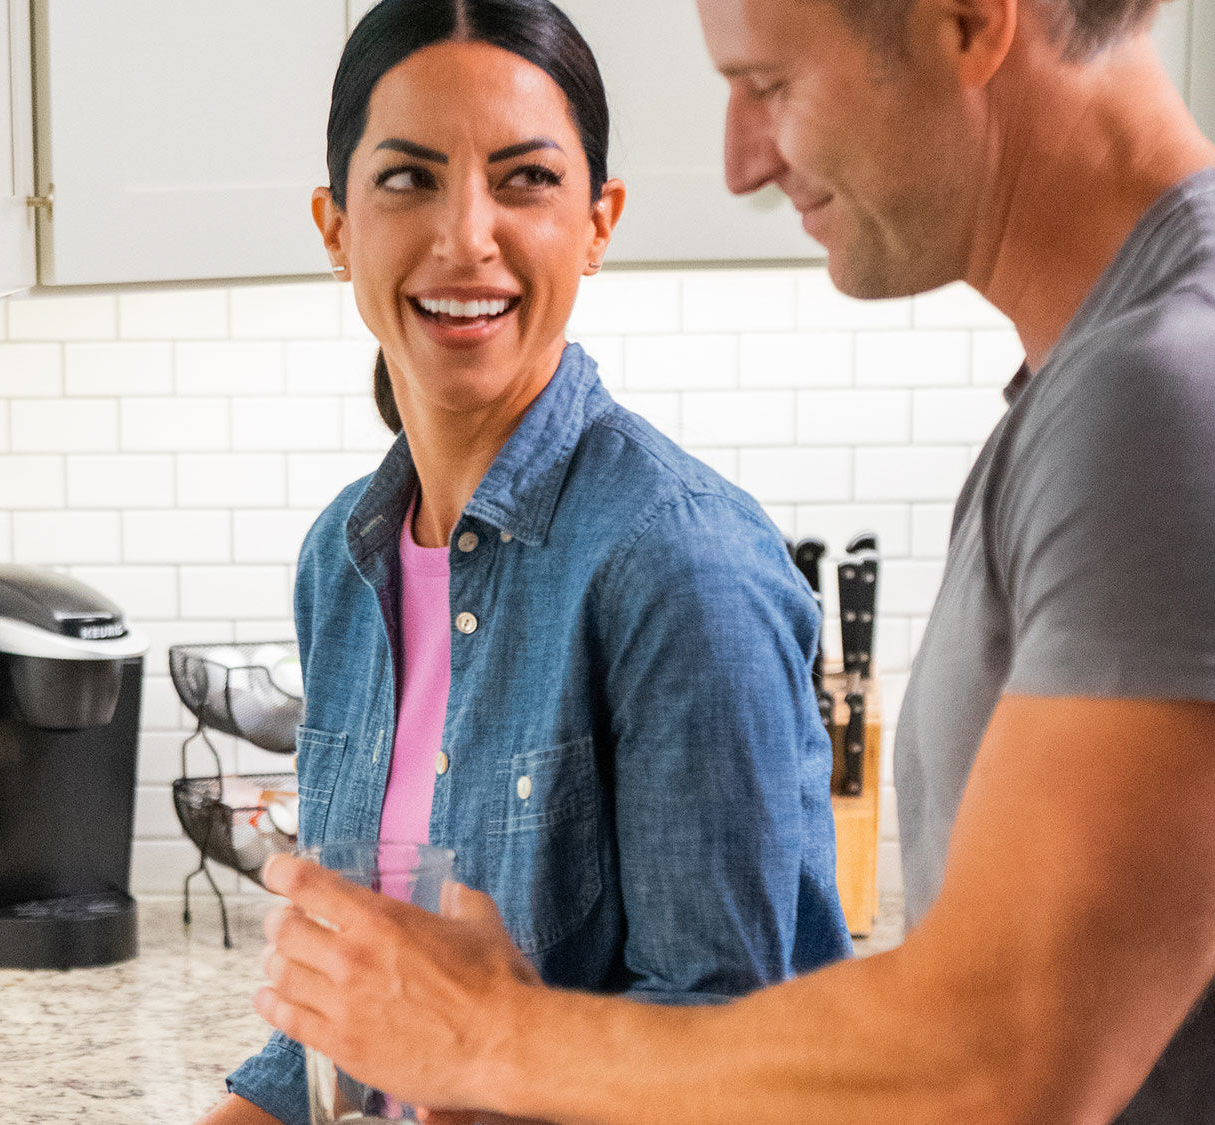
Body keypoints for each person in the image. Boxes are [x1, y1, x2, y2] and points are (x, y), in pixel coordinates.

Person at [255, 0, 1215, 1120]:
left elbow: (1000, 1056)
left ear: (964, 19)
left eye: (768, 84)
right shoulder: (1095, 394)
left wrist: (480, 1036)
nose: (740, 162)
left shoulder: (1159, 396)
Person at [201, 2, 853, 1122]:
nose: (465, 236)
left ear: (597, 222)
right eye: (407, 179)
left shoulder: (677, 569)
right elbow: (345, 1031)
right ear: (333, 225)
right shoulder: (340, 565)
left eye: (524, 180)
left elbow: (732, 1060)